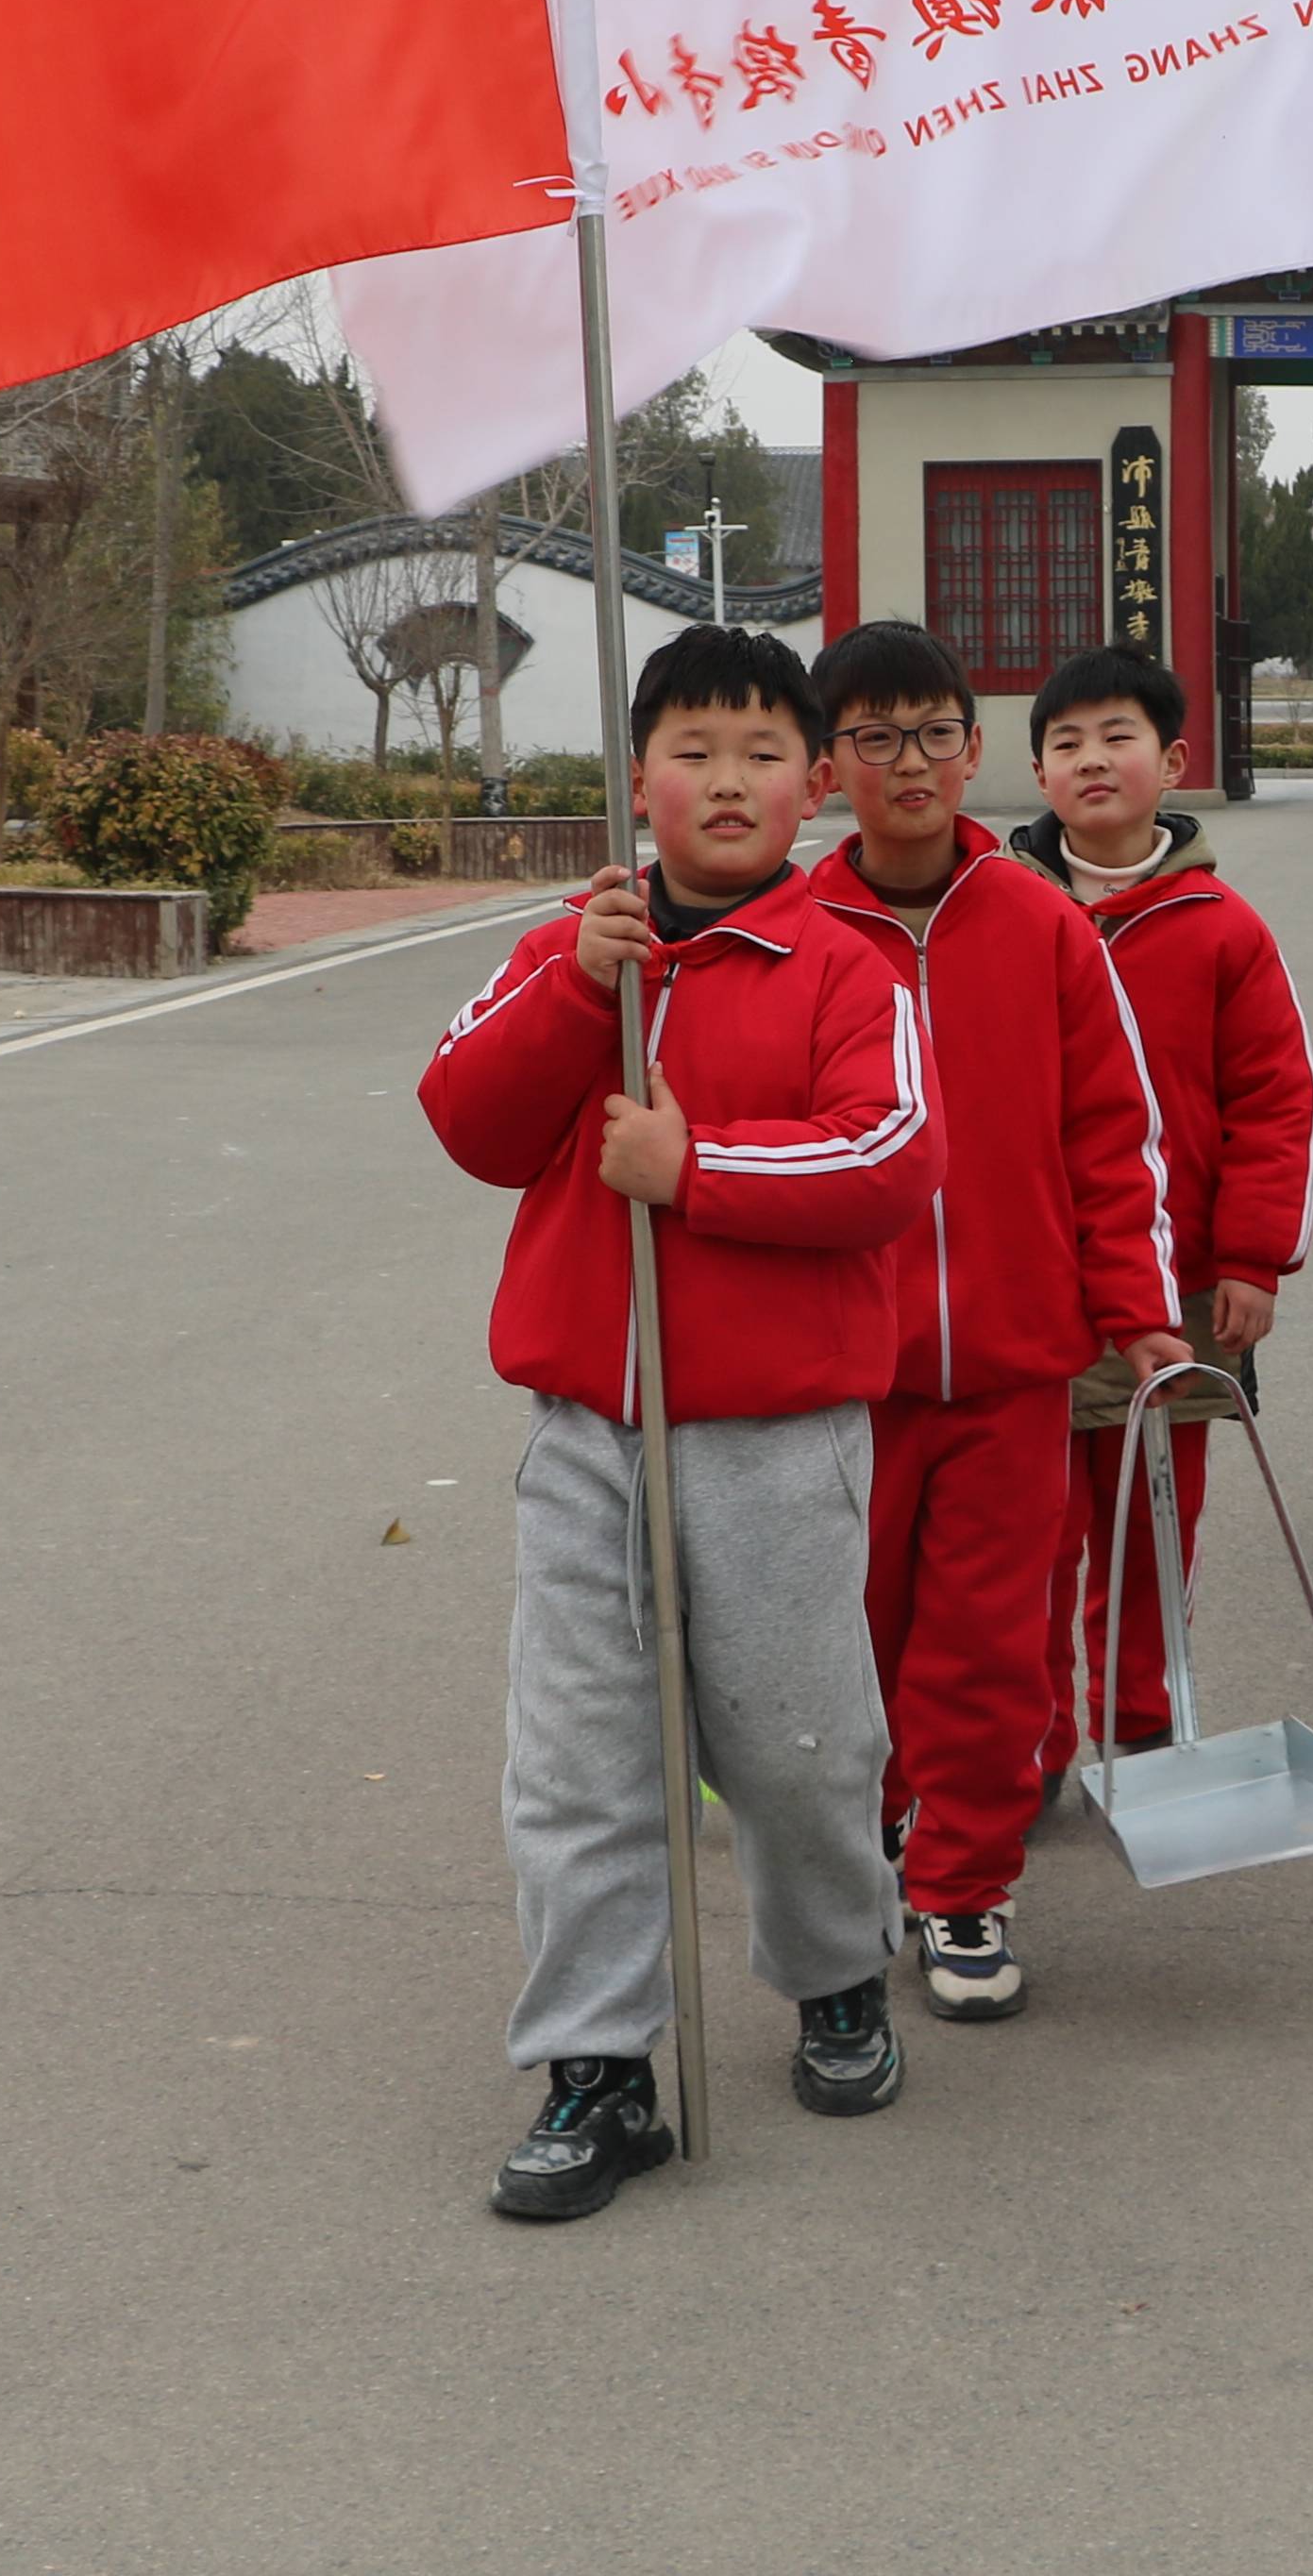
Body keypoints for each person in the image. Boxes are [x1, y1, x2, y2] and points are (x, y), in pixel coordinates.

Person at [416, 623, 940, 2223]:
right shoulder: (572, 951)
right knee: (579, 1762)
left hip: (776, 1435)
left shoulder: (850, 963)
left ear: (818, 781)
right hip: (588, 1426)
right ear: (636, 779)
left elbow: (891, 1156)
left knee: (797, 1746)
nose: (728, 781)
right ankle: (597, 2064)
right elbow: (469, 1120)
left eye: (763, 753)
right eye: (693, 752)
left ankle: (835, 1970)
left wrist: (696, 1172)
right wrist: (582, 998)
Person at [805, 621, 1177, 2028]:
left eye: (936, 733)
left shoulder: (1041, 923)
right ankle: (890, 1829)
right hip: (844, 1370)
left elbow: (1112, 1134)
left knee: (988, 1640)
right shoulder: (791, 935)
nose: (911, 763)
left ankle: (965, 1883)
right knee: (860, 1634)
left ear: (975, 748)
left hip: (1019, 1364)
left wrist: (1135, 1313)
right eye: (876, 737)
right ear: (832, 765)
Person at [1008, 645, 1313, 1779]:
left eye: (1118, 736)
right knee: (1034, 1532)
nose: (1094, 760)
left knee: (1151, 1522)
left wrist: (1252, 1258)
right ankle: (1030, 1740)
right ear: (1037, 773)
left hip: (1181, 1284)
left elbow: (1276, 1100)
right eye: (1068, 743)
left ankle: (1138, 1726)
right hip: (1033, 1282)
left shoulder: (1222, 927)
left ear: (1173, 761)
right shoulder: (997, 916)